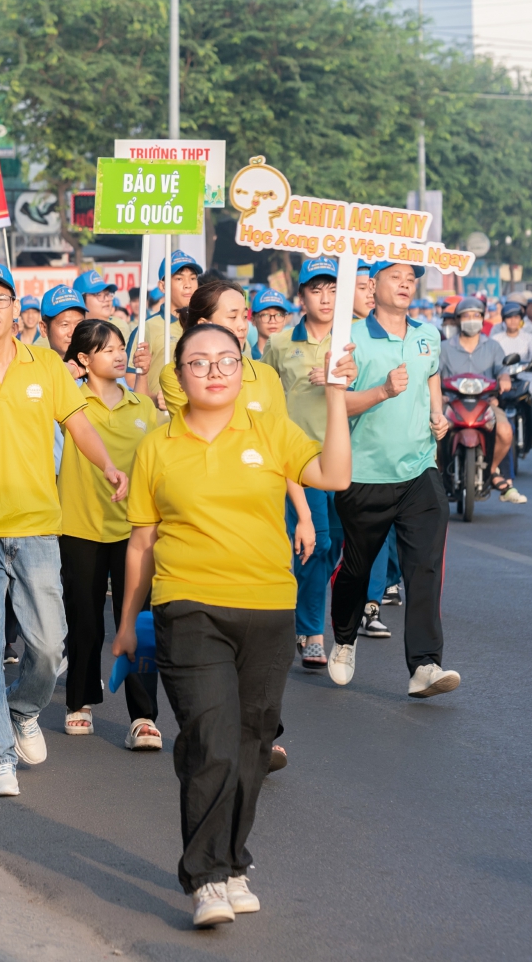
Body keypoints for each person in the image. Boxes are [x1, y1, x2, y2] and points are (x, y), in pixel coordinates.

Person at [113, 320, 354, 927]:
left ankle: (233, 861)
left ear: (242, 369)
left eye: (226, 360)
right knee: (210, 739)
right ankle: (206, 878)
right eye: (199, 362)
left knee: (252, 743)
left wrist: (335, 396)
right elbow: (141, 543)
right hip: (188, 605)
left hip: (268, 607)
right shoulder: (157, 447)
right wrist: (127, 624)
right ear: (179, 374)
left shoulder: (270, 429)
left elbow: (335, 476)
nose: (214, 371)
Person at [0, 260, 128, 798]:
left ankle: (22, 708)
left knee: (50, 645)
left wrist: (107, 465)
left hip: (37, 524)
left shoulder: (46, 367)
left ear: (16, 308)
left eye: (0, 298)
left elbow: (77, 423)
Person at [328, 261, 460, 699]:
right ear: (373, 284)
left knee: (424, 567)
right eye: (395, 277)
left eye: (411, 279)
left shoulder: (428, 335)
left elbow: (432, 378)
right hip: (363, 474)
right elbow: (336, 405)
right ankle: (344, 639)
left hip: (419, 469)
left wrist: (437, 414)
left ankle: (424, 665)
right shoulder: (350, 339)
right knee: (357, 568)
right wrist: (382, 391)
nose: (405, 284)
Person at [57, 318, 162, 749]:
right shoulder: (68, 402)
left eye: (121, 346)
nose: (119, 354)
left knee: (136, 620)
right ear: (84, 358)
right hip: (79, 526)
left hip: (136, 530)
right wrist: (65, 373)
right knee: (84, 621)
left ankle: (143, 716)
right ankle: (80, 701)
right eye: (107, 349)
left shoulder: (143, 407)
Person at [262, 256, 349, 665]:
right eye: (316, 290)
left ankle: (298, 606)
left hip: (344, 457)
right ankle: (311, 631)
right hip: (299, 459)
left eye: (332, 290)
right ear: (302, 297)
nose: (325, 298)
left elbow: (369, 395)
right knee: (318, 542)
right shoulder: (280, 343)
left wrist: (338, 384)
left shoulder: (350, 340)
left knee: (336, 545)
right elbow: (263, 394)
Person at [440, 297, 523, 502]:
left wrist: (504, 379)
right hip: (450, 403)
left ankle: (492, 470)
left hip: (485, 403)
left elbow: (502, 370)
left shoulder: (493, 346)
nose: (471, 319)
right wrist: (438, 395)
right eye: (466, 316)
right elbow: (433, 374)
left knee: (505, 431)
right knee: (431, 432)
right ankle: (437, 473)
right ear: (458, 319)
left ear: (482, 318)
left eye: (476, 315)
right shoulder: (444, 348)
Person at [131, 250, 200, 399]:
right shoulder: (147, 328)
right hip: (160, 413)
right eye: (179, 278)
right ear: (162, 286)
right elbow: (130, 381)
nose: (188, 285)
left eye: (193, 278)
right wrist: (156, 399)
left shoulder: (204, 326)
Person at [492, 302, 532, 444]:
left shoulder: (528, 337)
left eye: (516, 317)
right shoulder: (496, 339)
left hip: (524, 375)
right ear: (503, 320)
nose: (513, 321)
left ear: (521, 319)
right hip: (502, 377)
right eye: (509, 318)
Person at [39, 285, 87, 359]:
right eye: (65, 325)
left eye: (79, 324)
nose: (72, 333)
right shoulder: (36, 365)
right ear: (44, 328)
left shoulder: (98, 364)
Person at [73, 268, 123, 333]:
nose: (107, 299)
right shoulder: (72, 332)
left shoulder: (119, 327)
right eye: (98, 294)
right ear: (81, 300)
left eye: (108, 294)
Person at [249, 288, 291, 360]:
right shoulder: (246, 359)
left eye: (278, 314)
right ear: (253, 320)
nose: (272, 321)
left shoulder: (294, 358)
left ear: (285, 319)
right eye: (265, 315)